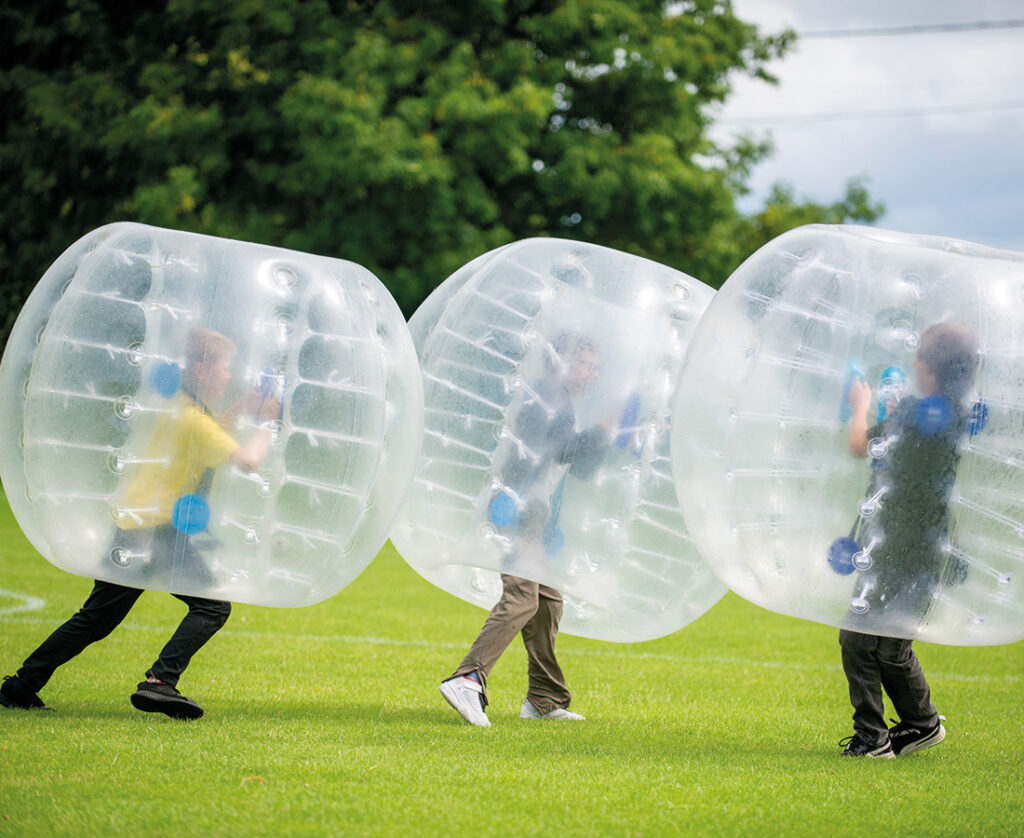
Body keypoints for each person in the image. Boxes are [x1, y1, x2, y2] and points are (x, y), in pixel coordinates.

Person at [0, 328, 279, 720]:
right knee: (212, 606)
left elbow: (213, 438)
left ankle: (20, 686)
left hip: (134, 524)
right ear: (202, 368)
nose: (230, 376)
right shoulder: (192, 419)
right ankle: (160, 682)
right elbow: (247, 460)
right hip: (155, 530)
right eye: (226, 368)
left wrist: (247, 406)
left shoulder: (186, 410)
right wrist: (268, 423)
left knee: (96, 619)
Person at [439, 332, 608, 727]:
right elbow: (547, 458)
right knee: (522, 600)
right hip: (521, 512)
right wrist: (604, 430)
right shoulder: (547, 403)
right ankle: (467, 678)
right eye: (586, 364)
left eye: (596, 367)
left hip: (536, 513)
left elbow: (573, 463)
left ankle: (544, 698)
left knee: (548, 602)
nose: (593, 374)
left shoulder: (560, 403)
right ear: (559, 363)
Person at [838, 323, 979, 757]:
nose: (913, 360)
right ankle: (920, 724)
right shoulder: (954, 414)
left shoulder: (916, 415)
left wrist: (860, 406)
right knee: (894, 643)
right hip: (927, 547)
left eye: (919, 354)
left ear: (930, 371)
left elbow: (861, 445)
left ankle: (872, 737)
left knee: (859, 636)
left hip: (896, 545)